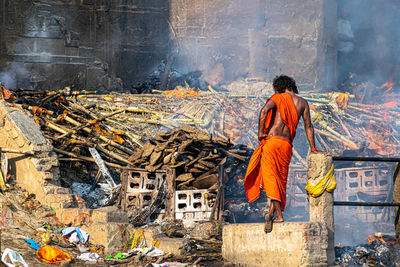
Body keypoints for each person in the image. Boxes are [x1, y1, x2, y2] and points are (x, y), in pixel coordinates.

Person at [243, 75, 324, 233]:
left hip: (272, 142)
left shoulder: (277, 97)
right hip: (286, 145)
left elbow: (264, 111)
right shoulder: (303, 102)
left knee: (272, 178)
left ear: (278, 87)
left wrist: (260, 133)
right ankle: (272, 212)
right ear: (292, 85)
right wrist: (313, 148)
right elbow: (309, 127)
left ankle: (278, 215)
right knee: (281, 180)